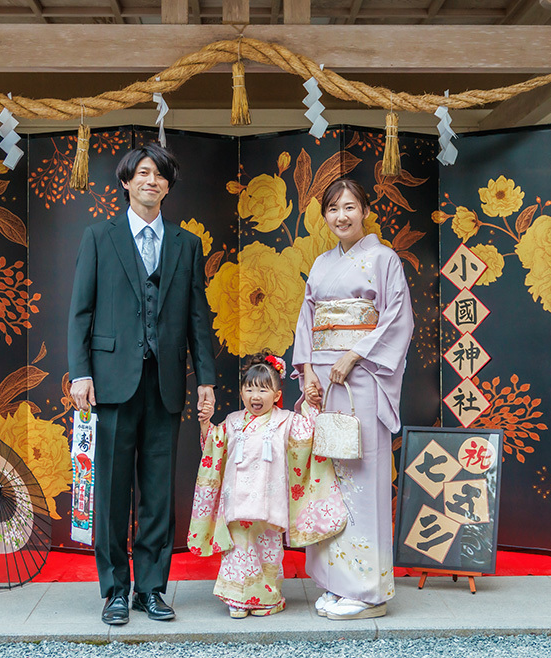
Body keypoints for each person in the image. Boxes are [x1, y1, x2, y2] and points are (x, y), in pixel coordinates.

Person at [68, 143, 217, 626]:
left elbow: (199, 318)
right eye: (143, 173)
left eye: (160, 175)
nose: (152, 181)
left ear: (168, 186)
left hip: (166, 384)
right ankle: (114, 589)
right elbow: (81, 313)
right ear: (127, 182)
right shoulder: (98, 237)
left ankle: (152, 588)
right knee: (112, 493)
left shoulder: (185, 243)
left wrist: (207, 382)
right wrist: (81, 373)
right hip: (110, 384)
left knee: (157, 492)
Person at [292, 177, 414, 620]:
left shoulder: (384, 259)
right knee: (329, 479)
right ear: (324, 217)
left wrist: (354, 354)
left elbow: (397, 319)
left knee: (362, 477)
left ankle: (366, 590)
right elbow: (307, 320)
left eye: (349, 207)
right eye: (332, 209)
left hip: (362, 380)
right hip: (324, 382)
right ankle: (334, 581)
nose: (341, 216)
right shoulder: (322, 264)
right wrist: (307, 370)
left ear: (365, 210)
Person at [189, 353, 345, 618]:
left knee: (269, 550)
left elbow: (306, 439)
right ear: (241, 392)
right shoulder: (232, 421)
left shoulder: (287, 421)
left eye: (263, 389)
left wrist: (310, 404)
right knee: (239, 549)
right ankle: (237, 598)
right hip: (237, 500)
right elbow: (214, 447)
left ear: (276, 393)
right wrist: (206, 422)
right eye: (249, 389)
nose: (255, 396)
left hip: (270, 500)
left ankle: (268, 598)